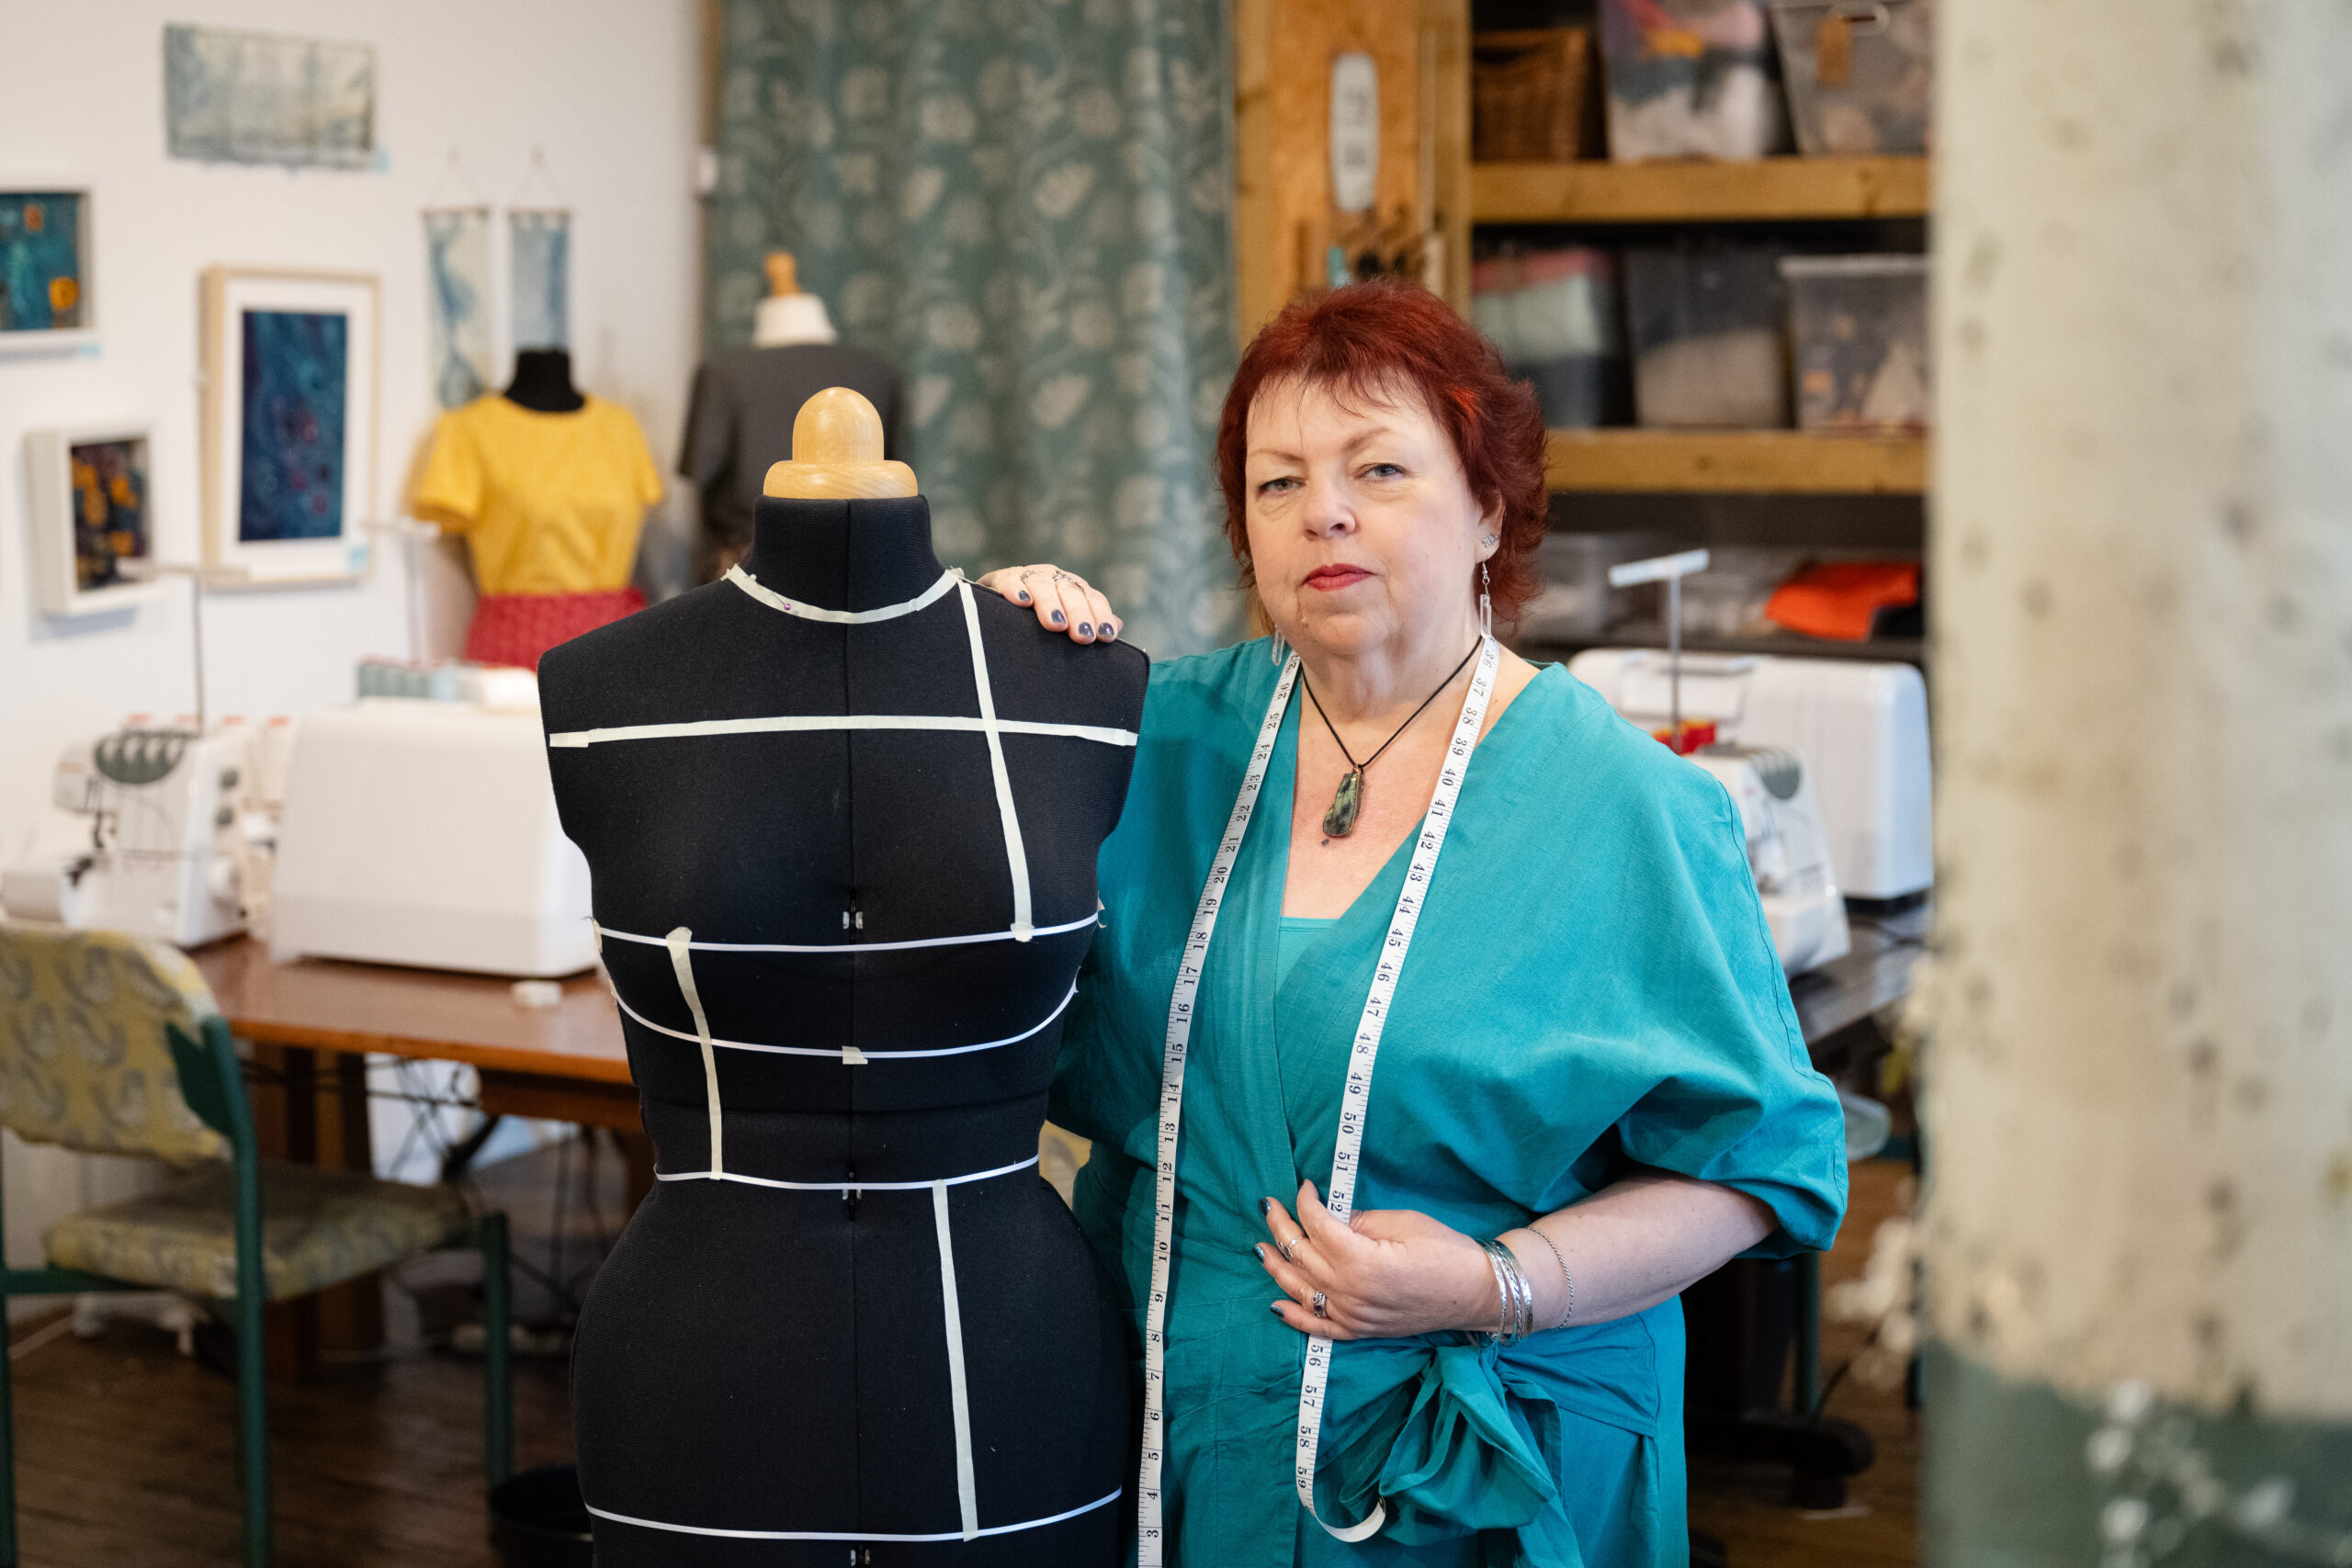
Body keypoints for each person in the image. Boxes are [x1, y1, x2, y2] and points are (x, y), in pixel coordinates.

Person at [978, 279, 1847, 1567]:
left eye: (1378, 469)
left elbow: (1754, 1168)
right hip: (1173, 1441)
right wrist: (981, 666)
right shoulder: (1145, 745)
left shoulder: (1629, 808)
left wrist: (1497, 1285)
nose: (1322, 510)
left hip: (1481, 1472)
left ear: (1489, 509)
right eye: (1277, 483)